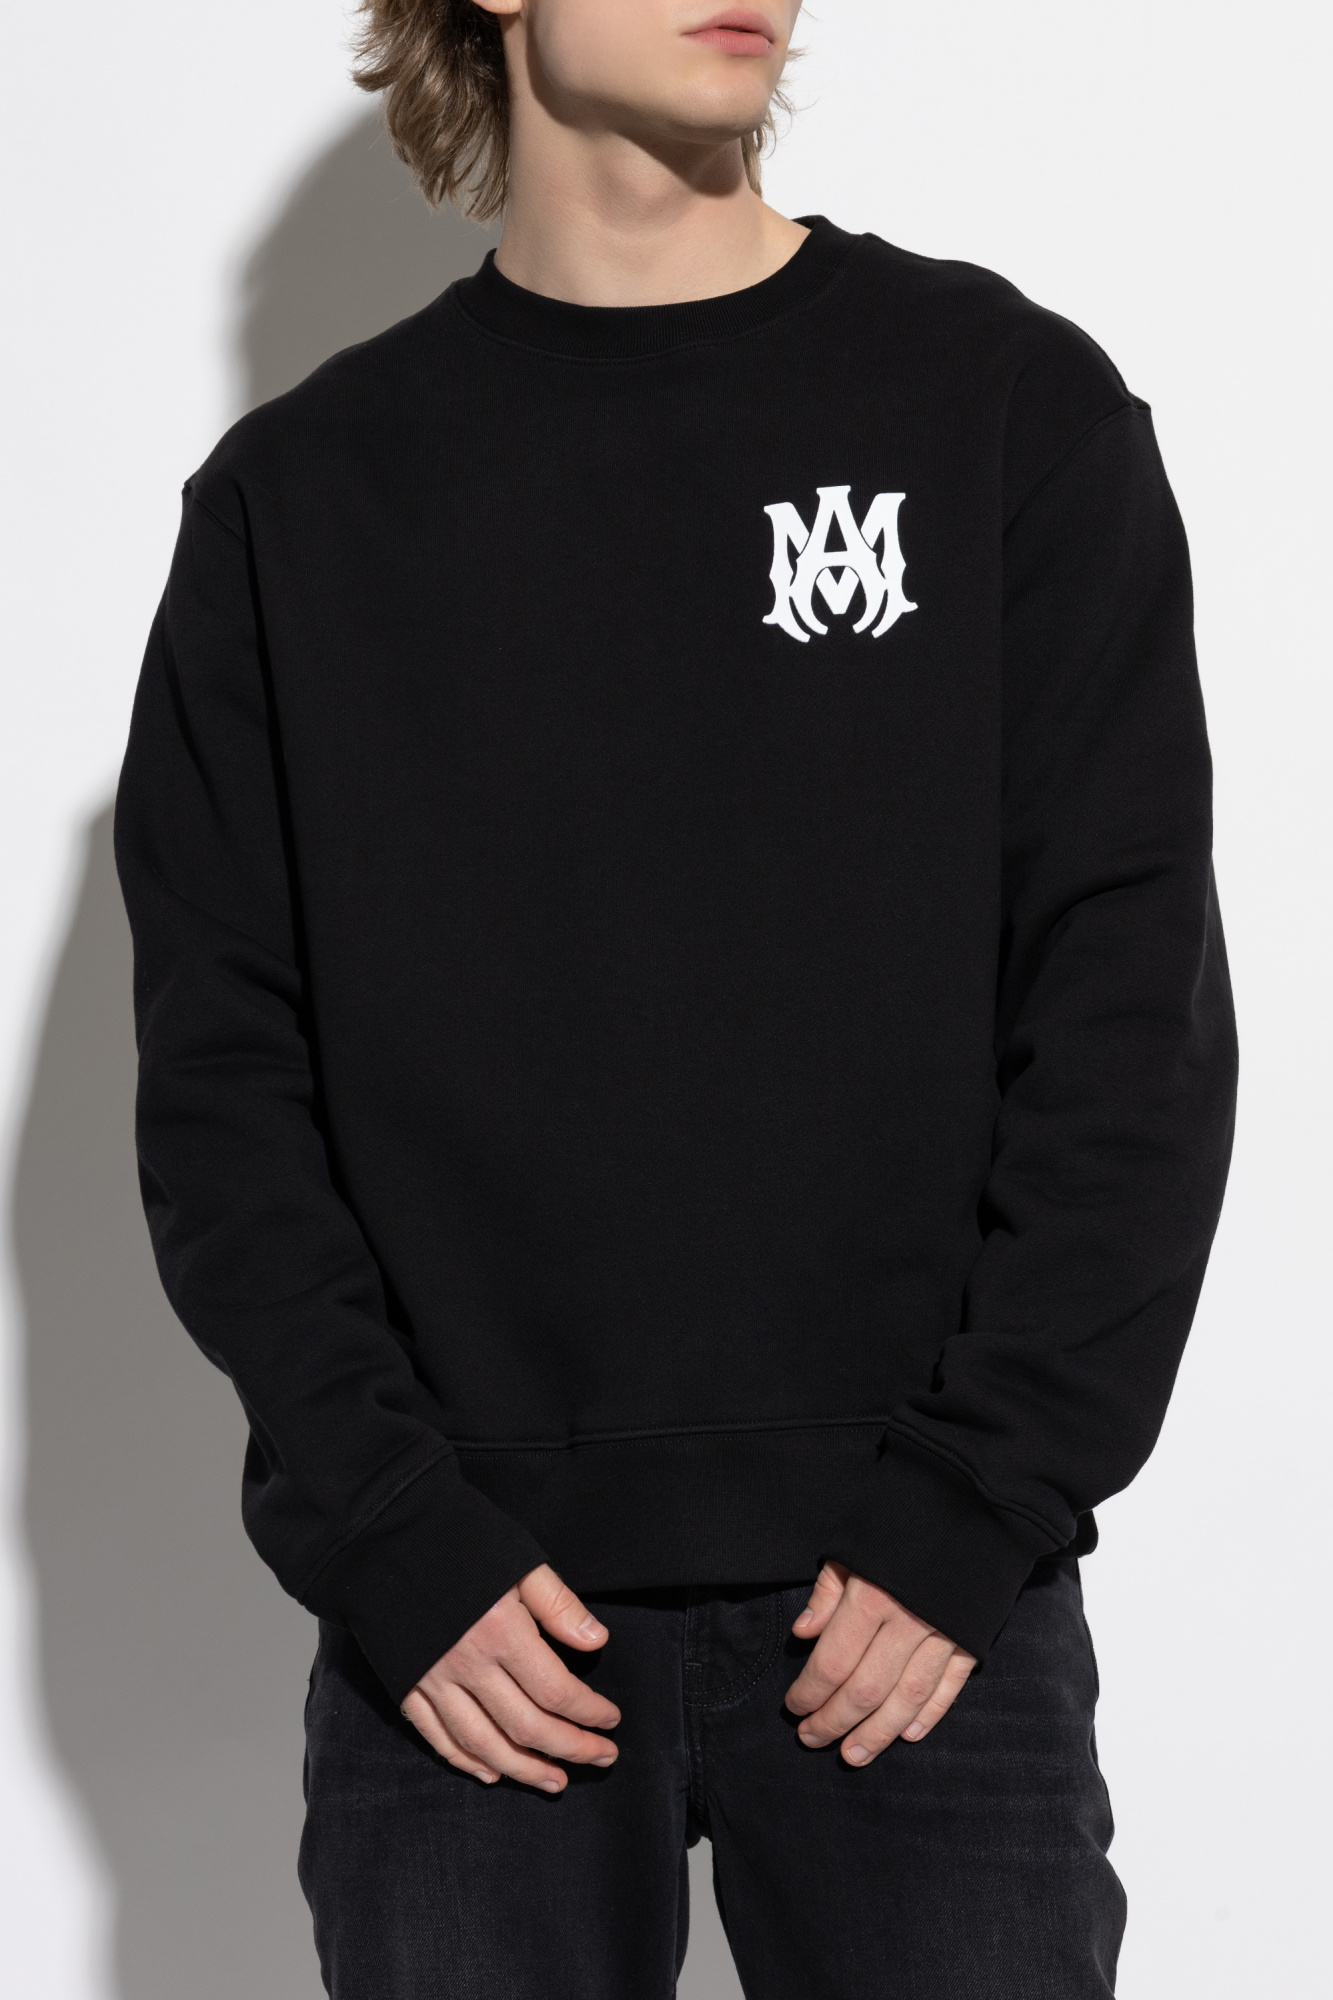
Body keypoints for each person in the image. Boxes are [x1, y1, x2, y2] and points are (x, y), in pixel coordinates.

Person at [113, 2, 1238, 1994]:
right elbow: (222, 1093)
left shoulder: (1002, 411)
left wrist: (972, 1497)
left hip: (912, 1614)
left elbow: (1125, 1013)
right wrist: (397, 1537)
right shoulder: (299, 505)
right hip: (477, 1632)